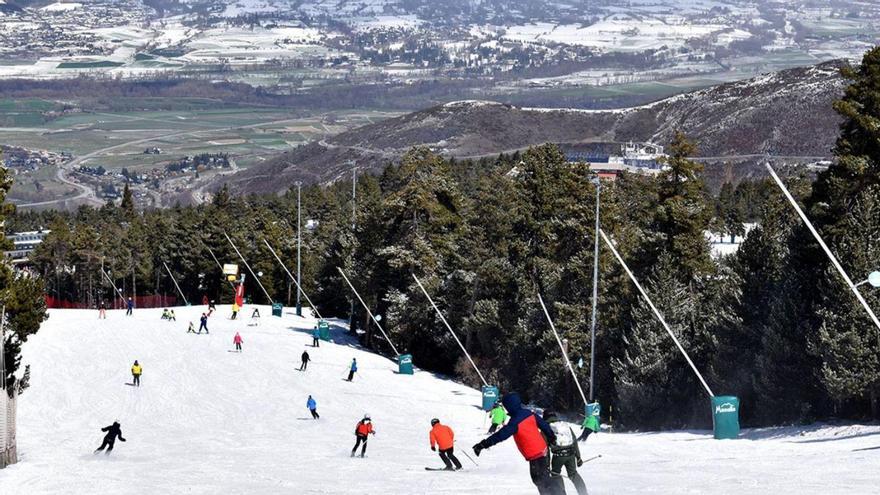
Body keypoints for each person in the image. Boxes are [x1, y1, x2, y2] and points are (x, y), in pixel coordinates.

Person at [472, 392, 563, 495]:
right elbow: (544, 425)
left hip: (534, 454)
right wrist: (551, 437)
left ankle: (559, 492)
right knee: (542, 478)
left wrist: (483, 444)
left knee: (540, 480)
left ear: (509, 406)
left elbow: (500, 435)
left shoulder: (514, 423)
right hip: (542, 450)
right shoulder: (530, 413)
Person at [543, 411, 588, 495]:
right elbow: (574, 441)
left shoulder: (546, 428)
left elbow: (546, 449)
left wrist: (547, 465)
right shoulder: (564, 425)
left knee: (555, 474)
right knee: (573, 474)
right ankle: (583, 493)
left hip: (558, 456)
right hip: (570, 454)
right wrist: (578, 457)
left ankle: (561, 493)